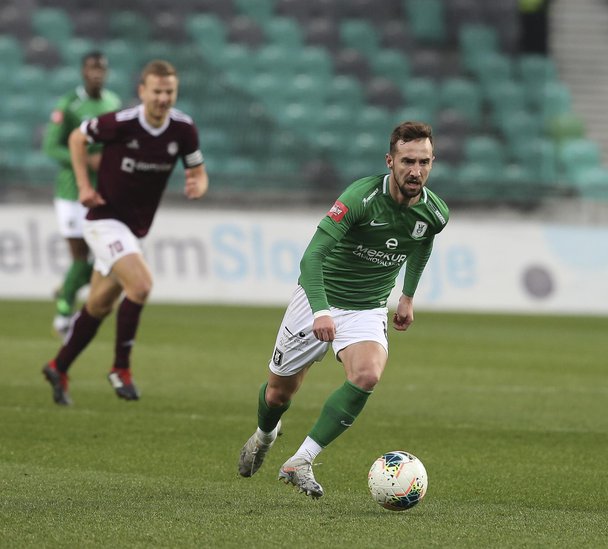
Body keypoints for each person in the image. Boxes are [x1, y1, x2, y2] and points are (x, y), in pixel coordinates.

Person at [237, 121, 449, 498]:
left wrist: (407, 296)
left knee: (367, 375)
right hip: (317, 300)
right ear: (390, 161)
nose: (416, 171)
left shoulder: (435, 213)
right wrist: (321, 311)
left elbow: (422, 245)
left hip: (367, 307)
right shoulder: (359, 198)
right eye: (407, 161)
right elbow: (311, 258)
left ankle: (301, 460)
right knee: (278, 396)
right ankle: (265, 434)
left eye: (424, 162)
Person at [41, 59, 208, 406]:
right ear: (142, 91)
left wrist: (198, 184)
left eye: (170, 92)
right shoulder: (121, 122)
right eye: (157, 91)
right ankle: (120, 368)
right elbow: (75, 138)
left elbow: (198, 169)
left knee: (99, 305)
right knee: (141, 285)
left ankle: (59, 366)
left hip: (134, 230)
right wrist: (85, 186)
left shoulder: (183, 129)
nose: (163, 98)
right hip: (103, 220)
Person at [42, 51, 122, 339]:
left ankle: (67, 287)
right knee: (80, 257)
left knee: (103, 258)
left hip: (102, 191)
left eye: (102, 68)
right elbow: (51, 146)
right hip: (70, 190)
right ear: (82, 72)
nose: (97, 73)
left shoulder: (113, 103)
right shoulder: (69, 104)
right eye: (92, 68)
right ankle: (64, 312)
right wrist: (85, 161)